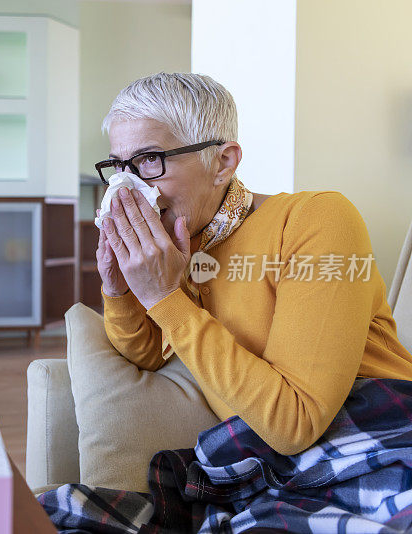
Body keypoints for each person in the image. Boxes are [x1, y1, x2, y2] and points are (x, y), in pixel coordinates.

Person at [39, 72, 412, 533]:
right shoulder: (181, 247)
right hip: (261, 465)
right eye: (119, 166)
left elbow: (294, 424)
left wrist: (164, 295)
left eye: (149, 160)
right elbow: (147, 354)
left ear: (223, 162)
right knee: (57, 512)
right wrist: (119, 289)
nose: (128, 187)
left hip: (376, 437)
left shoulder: (316, 218)